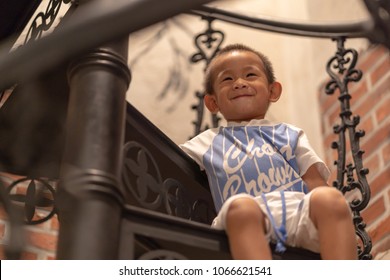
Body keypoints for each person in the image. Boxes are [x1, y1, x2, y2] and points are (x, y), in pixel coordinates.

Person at [180, 43, 357, 260]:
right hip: (244, 221)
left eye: (250, 74)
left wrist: (327, 207)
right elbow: (168, 165)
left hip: (296, 212)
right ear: (212, 102)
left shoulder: (290, 134)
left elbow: (314, 183)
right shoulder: (205, 142)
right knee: (241, 207)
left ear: (273, 91)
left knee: (330, 198)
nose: (239, 83)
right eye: (227, 79)